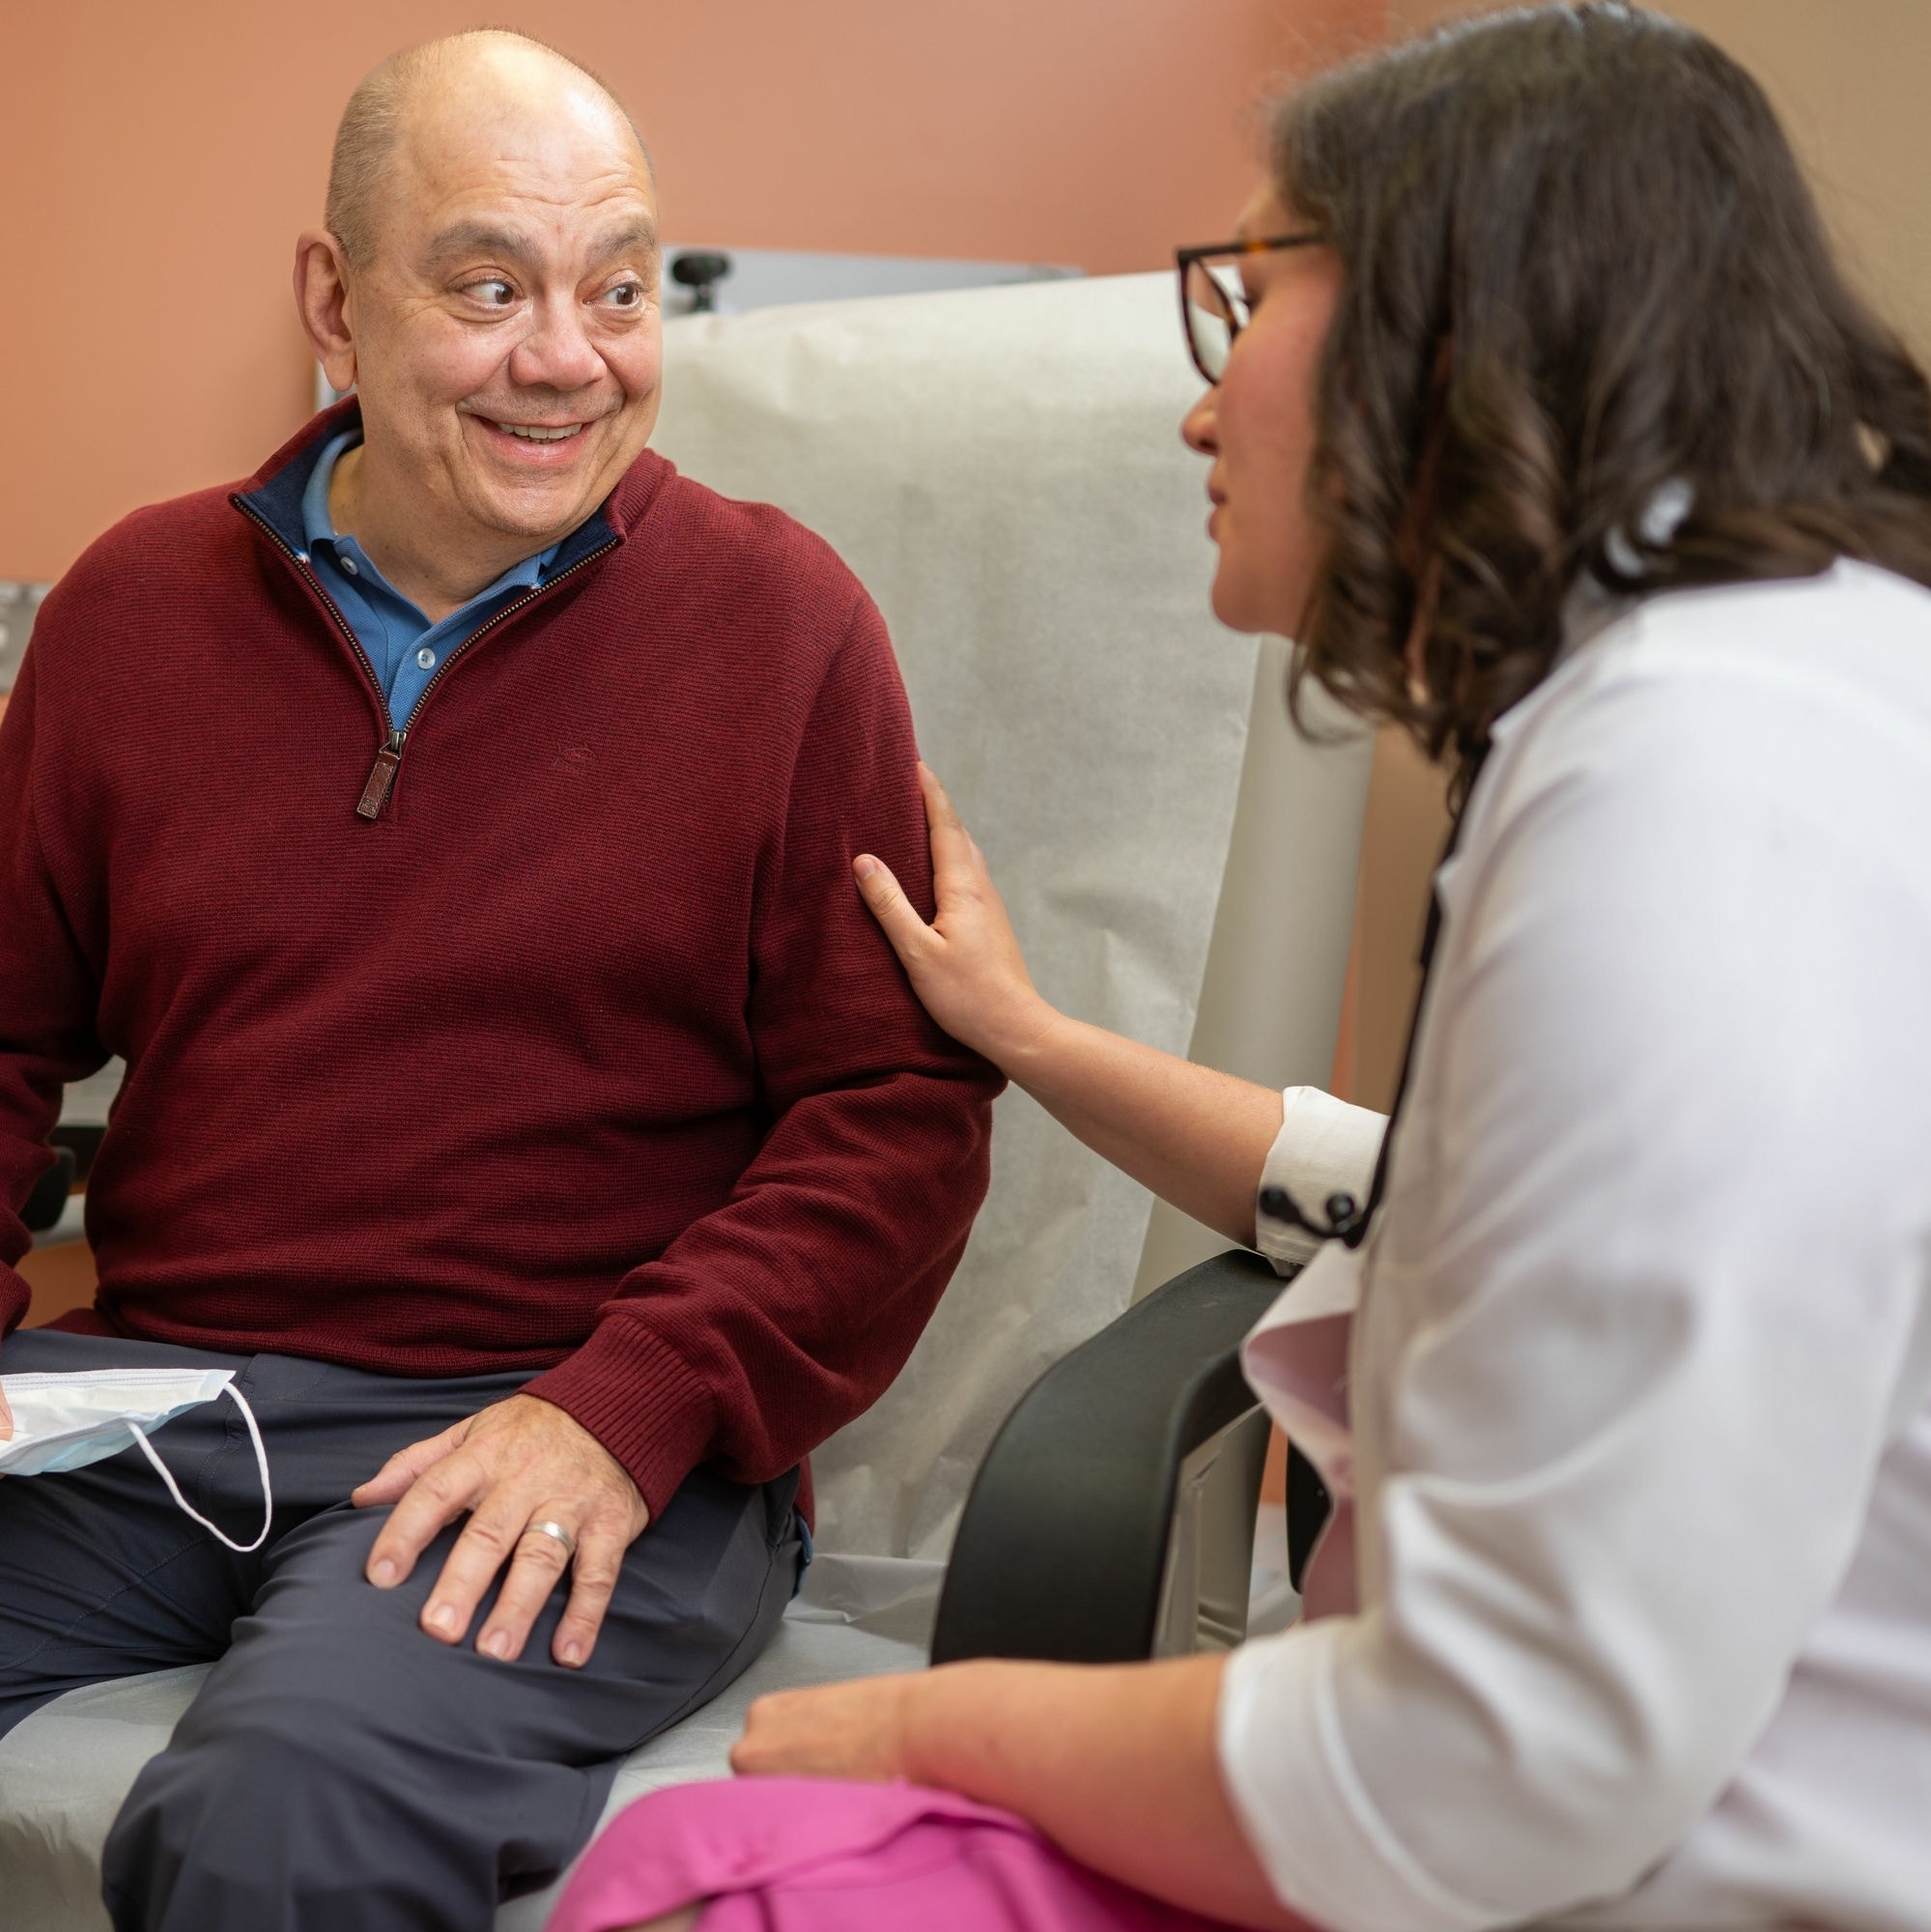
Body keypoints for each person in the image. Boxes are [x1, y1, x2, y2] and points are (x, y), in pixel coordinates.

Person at [542, 8, 1931, 1931]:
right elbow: (1421, 1197)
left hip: (1640, 1859)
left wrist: (944, 1724)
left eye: (1243, 300)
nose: (1196, 406)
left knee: (712, 1876)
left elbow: (1497, 1762)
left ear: (1442, 332)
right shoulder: (1778, 695)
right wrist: (1024, 1035)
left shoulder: (1696, 800)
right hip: (1572, 1794)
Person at [0, 29, 998, 1931]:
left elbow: (894, 1120)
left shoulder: (785, 629)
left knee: (275, 1822)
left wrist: (629, 1402)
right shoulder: (133, 612)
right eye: (488, 287)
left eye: (617, 289)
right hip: (162, 1405)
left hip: (581, 1415)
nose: (567, 355)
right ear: (333, 300)